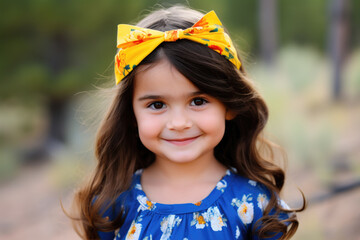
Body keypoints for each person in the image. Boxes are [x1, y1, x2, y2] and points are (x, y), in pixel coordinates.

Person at [71, 5, 305, 240]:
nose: (179, 123)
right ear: (130, 114)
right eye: (157, 105)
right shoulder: (113, 204)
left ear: (230, 104)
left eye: (198, 101)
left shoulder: (256, 204)